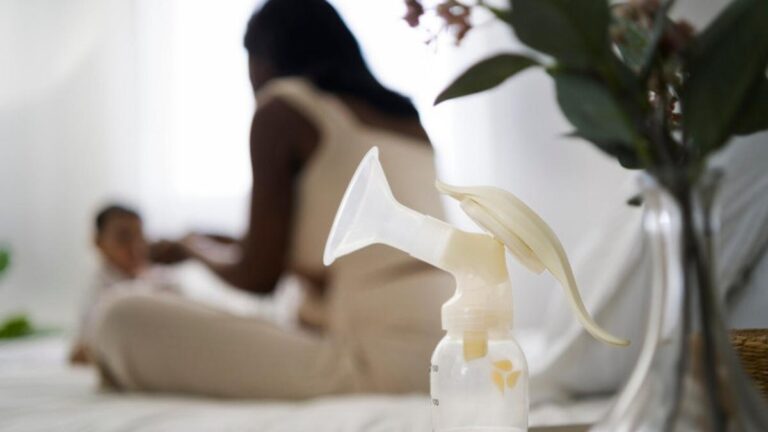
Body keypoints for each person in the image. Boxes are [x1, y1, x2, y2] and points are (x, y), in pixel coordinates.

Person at [89, 0, 452, 398]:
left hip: (376, 361)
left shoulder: (284, 107)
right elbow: (337, 252)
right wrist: (212, 240)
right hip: (452, 346)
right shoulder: (406, 118)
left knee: (118, 315)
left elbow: (258, 276)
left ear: (263, 57)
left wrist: (191, 248)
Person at [70, 205, 177, 364]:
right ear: (98, 242)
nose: (135, 246)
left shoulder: (165, 279)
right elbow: (83, 351)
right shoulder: (96, 295)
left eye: (140, 237)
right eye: (124, 237)